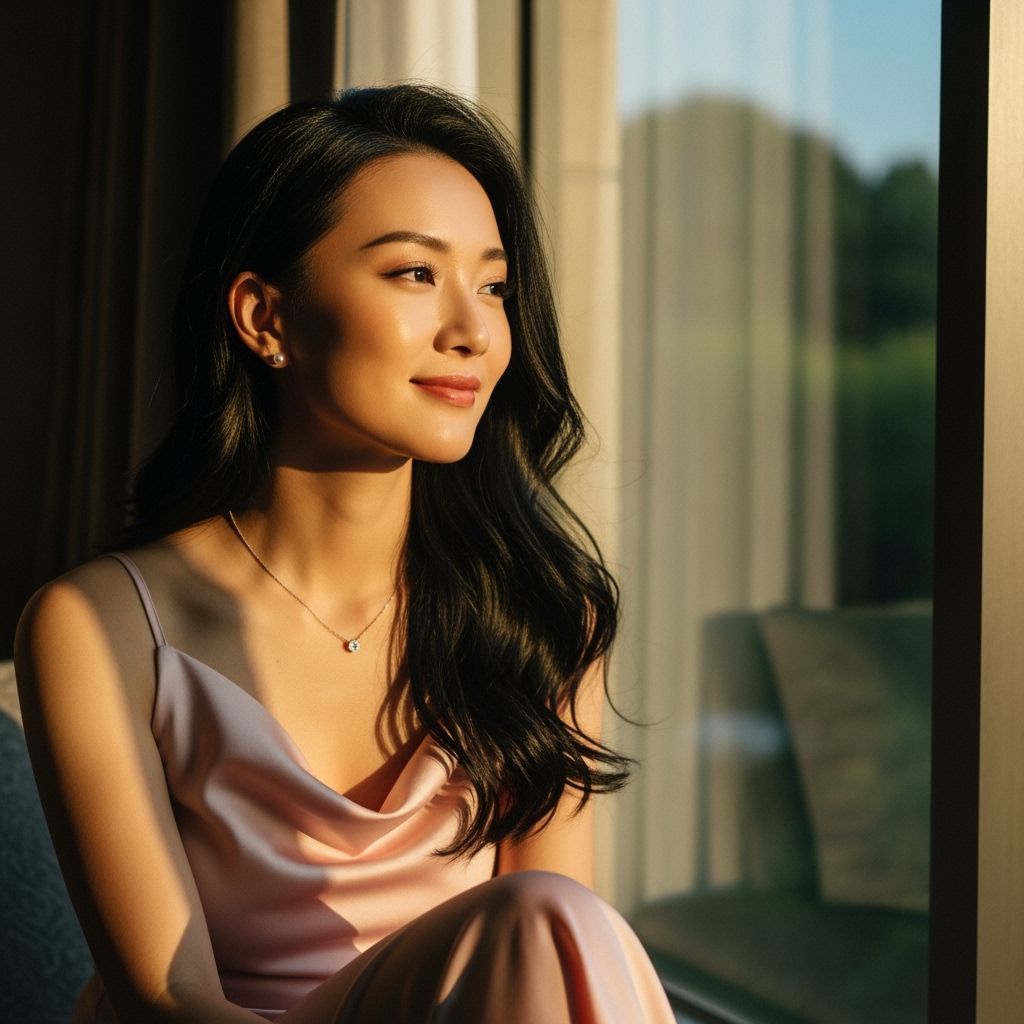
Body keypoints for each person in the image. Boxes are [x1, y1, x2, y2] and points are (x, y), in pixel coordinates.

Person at [15, 84, 674, 1023]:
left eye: (492, 285)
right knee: (544, 917)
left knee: (552, 918)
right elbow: (169, 1003)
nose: (474, 331)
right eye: (414, 274)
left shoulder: (541, 615)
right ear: (264, 317)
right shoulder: (101, 625)